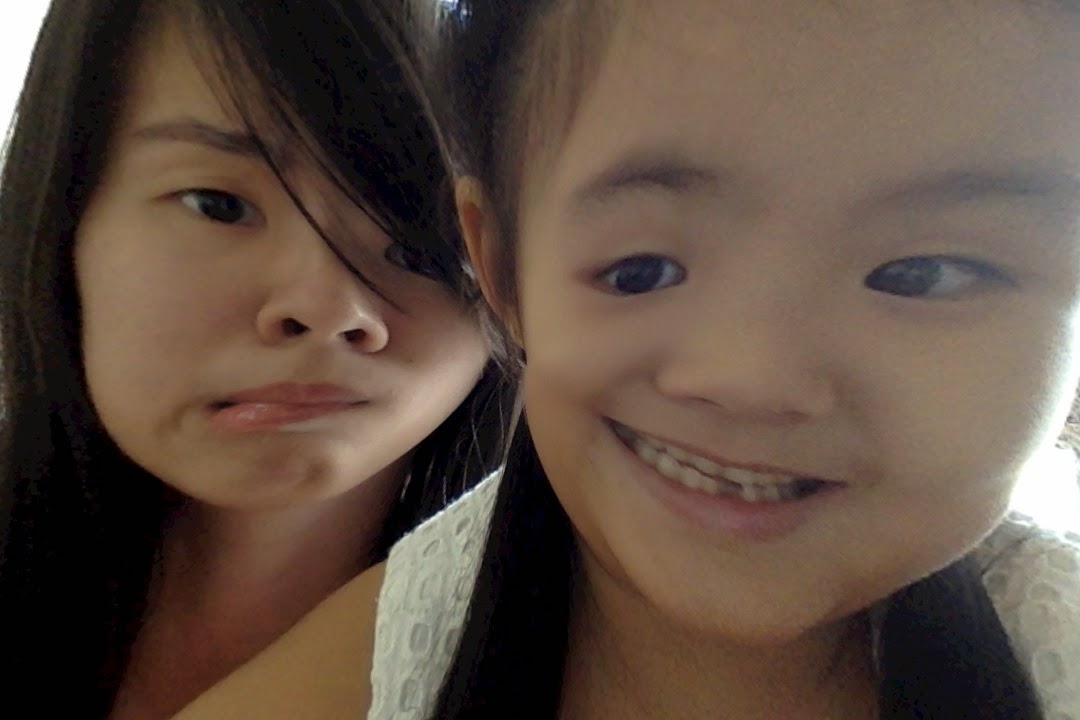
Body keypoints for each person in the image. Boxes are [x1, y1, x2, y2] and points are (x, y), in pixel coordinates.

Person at [168, 0, 1080, 718]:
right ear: (502, 269)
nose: (752, 380)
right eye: (642, 269)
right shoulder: (393, 651)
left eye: (923, 275)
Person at [0, 0, 508, 718]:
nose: (328, 307)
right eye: (218, 205)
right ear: (64, 216)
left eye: (418, 239)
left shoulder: (577, 660)